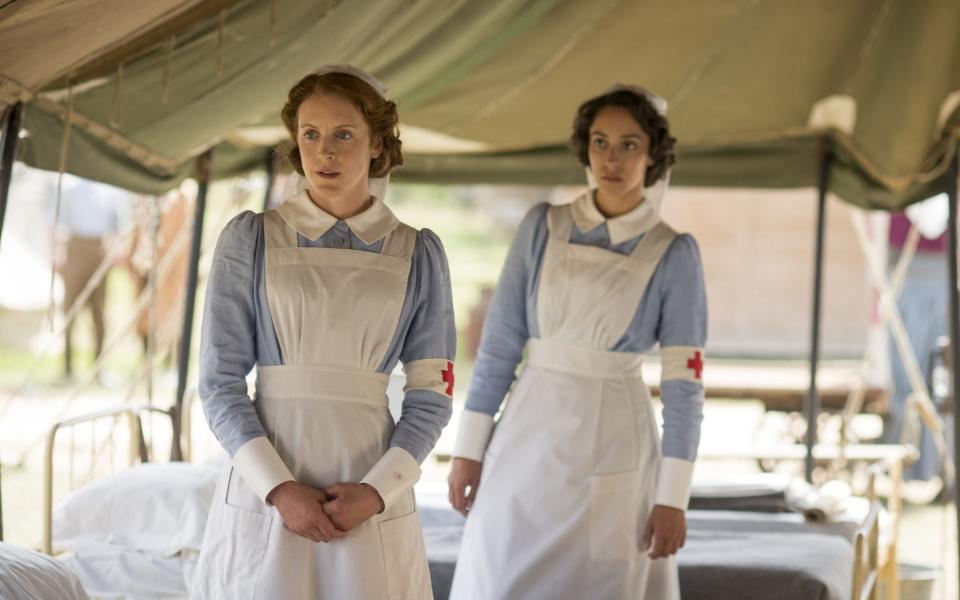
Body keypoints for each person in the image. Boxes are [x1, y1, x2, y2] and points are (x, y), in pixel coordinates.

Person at [191, 65, 455, 599]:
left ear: (377, 145)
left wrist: (377, 492)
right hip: (268, 482)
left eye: (343, 134)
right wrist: (279, 488)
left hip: (368, 485)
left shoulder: (417, 253)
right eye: (310, 134)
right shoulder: (252, 239)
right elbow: (219, 382)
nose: (324, 152)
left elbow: (432, 394)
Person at [447, 85, 707, 599]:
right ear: (584, 148)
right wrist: (467, 451)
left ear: (653, 154)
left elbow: (684, 390)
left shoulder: (673, 253)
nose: (612, 158)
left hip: (616, 439)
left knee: (600, 582)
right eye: (600, 142)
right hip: (527, 432)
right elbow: (499, 347)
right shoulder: (543, 227)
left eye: (629, 144)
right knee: (498, 574)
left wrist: (672, 497)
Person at [54, 175, 126, 378]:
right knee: (69, 309)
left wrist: (114, 252)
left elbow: (117, 225)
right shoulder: (70, 189)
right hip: (75, 247)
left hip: (99, 249)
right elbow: (58, 222)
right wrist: (58, 254)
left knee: (100, 311)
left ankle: (98, 367)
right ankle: (67, 367)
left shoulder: (110, 191)